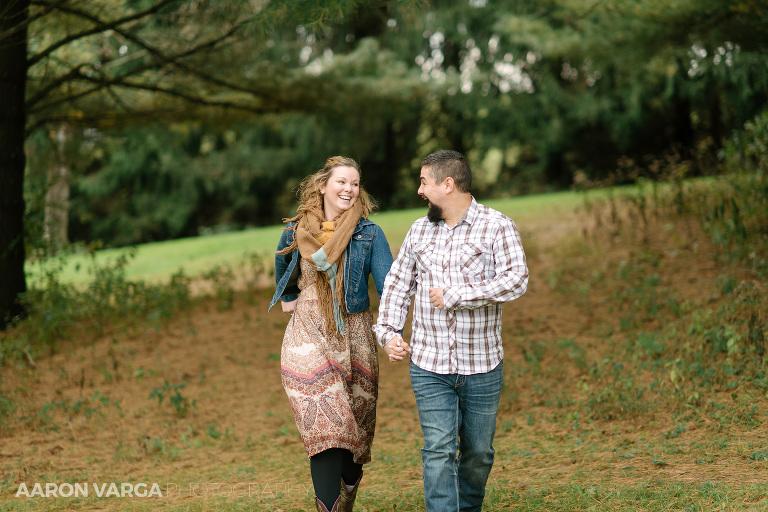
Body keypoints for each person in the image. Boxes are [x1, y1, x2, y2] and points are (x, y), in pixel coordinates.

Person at [373, 150, 529, 512]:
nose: (419, 190)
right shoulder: (419, 229)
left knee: (478, 454)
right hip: (429, 365)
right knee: (438, 450)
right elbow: (398, 284)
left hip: (482, 365)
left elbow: (516, 280)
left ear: (448, 184)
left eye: (424, 182)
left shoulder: (497, 226)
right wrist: (389, 332)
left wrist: (458, 295)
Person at [269, 156, 394, 512]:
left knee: (354, 436)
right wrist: (291, 298)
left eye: (354, 184)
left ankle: (347, 492)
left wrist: (393, 329)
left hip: (354, 336)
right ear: (323, 185)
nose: (349, 189)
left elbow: (389, 286)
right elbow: (282, 263)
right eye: (342, 182)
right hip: (306, 337)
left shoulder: (370, 233)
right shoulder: (296, 231)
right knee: (326, 426)